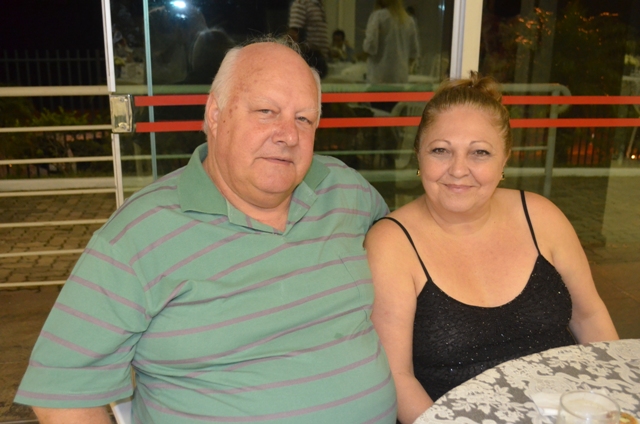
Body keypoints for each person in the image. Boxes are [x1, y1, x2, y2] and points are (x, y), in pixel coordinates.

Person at [15, 38, 397, 424]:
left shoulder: (345, 190)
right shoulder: (138, 235)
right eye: (266, 111)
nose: (288, 135)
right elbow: (62, 393)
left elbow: (410, 253)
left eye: (304, 119)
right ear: (214, 114)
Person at [364, 72, 619, 424]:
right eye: (440, 150)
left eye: (480, 153)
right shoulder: (391, 244)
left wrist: (609, 404)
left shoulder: (542, 217)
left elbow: (589, 318)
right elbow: (397, 378)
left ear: (505, 160)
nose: (458, 170)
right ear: (418, 156)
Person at [362, 0, 419, 84]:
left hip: (379, 77)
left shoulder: (378, 16)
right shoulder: (409, 20)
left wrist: (360, 56)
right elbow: (413, 53)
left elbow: (370, 46)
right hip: (401, 78)